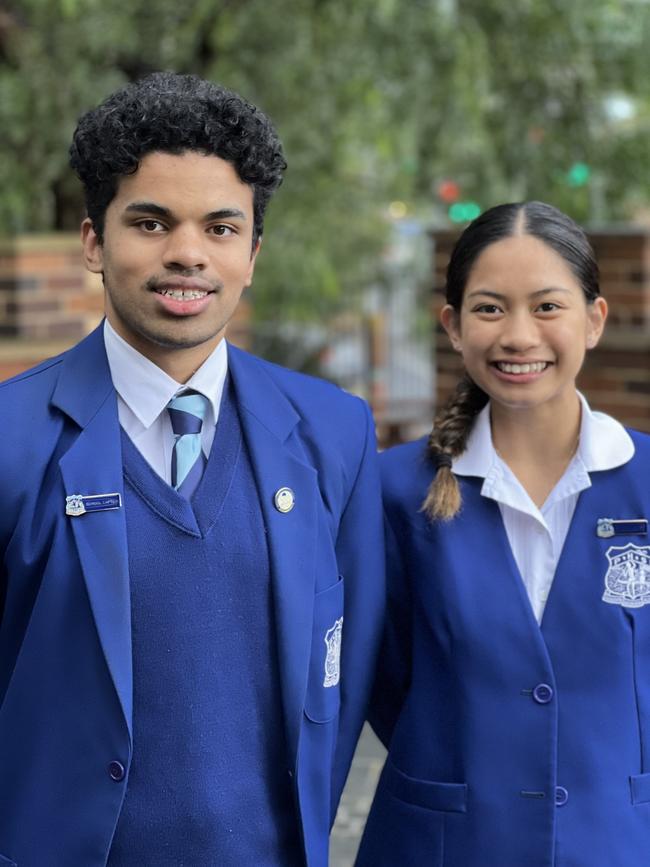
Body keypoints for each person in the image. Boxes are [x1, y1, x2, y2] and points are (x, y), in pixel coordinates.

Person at [0, 72, 384, 867]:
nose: (187, 254)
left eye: (220, 227)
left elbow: (342, 678)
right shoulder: (11, 439)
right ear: (93, 243)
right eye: (150, 221)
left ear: (253, 252)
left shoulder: (333, 432)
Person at [356, 201, 650, 866]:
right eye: (490, 309)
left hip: (618, 841)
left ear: (594, 320)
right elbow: (383, 679)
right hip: (444, 843)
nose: (519, 335)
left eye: (548, 306)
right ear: (454, 327)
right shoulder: (390, 491)